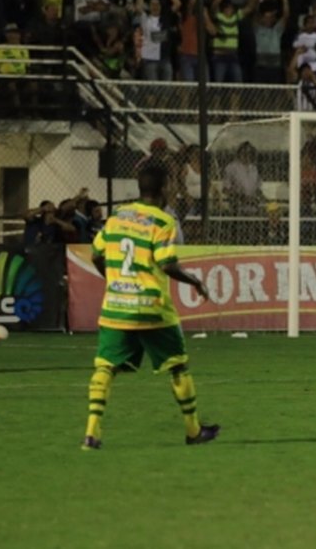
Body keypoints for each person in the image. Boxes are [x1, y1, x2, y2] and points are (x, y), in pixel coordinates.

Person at [81, 165, 218, 450]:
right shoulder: (162, 221)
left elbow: (96, 254)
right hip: (152, 308)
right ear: (165, 188)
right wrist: (195, 281)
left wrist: (114, 280)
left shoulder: (117, 218)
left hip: (116, 306)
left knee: (105, 367)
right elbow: (167, 264)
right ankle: (193, 431)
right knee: (178, 366)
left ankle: (91, 434)